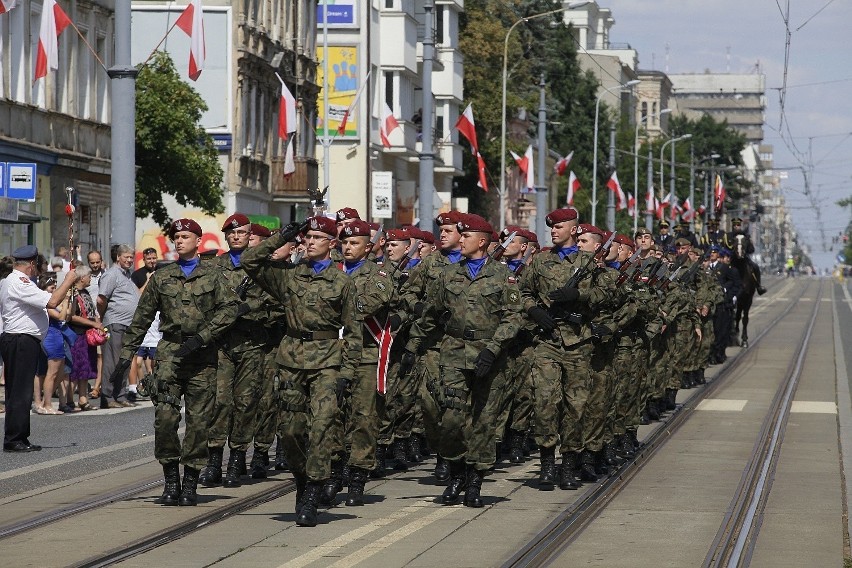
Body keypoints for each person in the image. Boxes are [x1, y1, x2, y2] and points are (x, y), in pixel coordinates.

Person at [241, 216, 362, 527]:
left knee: (322, 427)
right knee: (292, 431)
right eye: (307, 237)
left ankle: (312, 492)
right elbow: (249, 260)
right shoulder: (290, 277)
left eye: (318, 237)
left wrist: (346, 374)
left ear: (331, 244)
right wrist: (281, 236)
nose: (309, 241)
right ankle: (301, 480)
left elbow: (353, 332)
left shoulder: (343, 283)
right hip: (292, 360)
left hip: (326, 364)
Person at [118, 218, 243, 506]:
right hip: (170, 355)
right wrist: (127, 355)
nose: (179, 241)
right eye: (176, 237)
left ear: (198, 241)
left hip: (202, 358)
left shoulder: (213, 276)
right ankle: (170, 481)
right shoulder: (162, 277)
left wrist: (205, 335)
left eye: (185, 236)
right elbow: (142, 318)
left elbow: (231, 309)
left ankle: (190, 484)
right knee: (164, 420)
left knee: (199, 424)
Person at [405, 214, 522, 507]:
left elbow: (513, 317)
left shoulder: (502, 276)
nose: (461, 239)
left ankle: (474, 481)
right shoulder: (449, 274)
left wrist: (493, 349)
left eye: (466, 235)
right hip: (454, 353)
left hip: (489, 358)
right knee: (450, 420)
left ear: (481, 242)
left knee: (483, 423)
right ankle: (456, 470)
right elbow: (430, 314)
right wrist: (412, 346)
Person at [199, 213, 278, 489]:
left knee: (246, 404)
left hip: (251, 344)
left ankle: (237, 459)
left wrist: (249, 308)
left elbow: (275, 303)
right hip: (222, 344)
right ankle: (213, 460)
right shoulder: (213, 265)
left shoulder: (261, 266)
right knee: (220, 402)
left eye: (242, 233)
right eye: (231, 233)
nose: (236, 236)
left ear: (248, 236)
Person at [0, 245, 78, 452]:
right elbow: (52, 301)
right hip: (20, 341)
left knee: (20, 390)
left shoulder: (17, 281)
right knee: (20, 392)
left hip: (23, 341)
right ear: (32, 264)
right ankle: (14, 438)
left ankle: (20, 436)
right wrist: (68, 280)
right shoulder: (19, 282)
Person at [97, 244, 140, 408]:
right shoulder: (112, 274)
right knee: (112, 361)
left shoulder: (127, 275)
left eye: (131, 257)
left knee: (124, 361)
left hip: (128, 324)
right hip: (115, 323)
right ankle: (107, 397)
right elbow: (101, 299)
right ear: (118, 257)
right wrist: (102, 318)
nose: (130, 260)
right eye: (126, 257)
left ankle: (120, 396)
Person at [66, 265, 104, 411]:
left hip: (88, 336)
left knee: (85, 369)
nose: (90, 278)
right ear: (82, 278)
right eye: (88, 276)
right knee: (75, 369)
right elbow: (72, 316)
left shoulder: (86, 292)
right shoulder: (73, 294)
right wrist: (92, 323)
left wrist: (97, 323)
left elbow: (91, 311)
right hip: (77, 334)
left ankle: (83, 399)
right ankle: (69, 401)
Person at [723, 218, 767, 295]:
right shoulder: (728, 236)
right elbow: (724, 248)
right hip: (731, 258)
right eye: (735, 225)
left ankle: (758, 286)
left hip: (744, 258)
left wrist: (746, 250)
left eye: (738, 225)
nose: (736, 227)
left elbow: (751, 249)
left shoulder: (745, 236)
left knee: (755, 267)